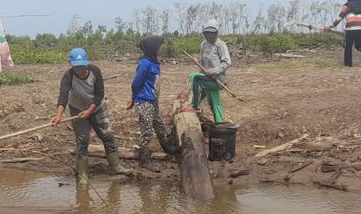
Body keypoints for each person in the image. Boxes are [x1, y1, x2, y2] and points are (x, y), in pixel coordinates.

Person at [51, 48, 133, 187]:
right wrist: (58, 115)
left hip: (97, 108)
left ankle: (117, 166)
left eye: (82, 66)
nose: (80, 69)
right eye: (76, 66)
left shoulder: (95, 71)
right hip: (77, 108)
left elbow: (99, 94)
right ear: (71, 65)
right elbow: (63, 96)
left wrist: (89, 111)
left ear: (86, 63)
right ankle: (83, 174)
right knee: (82, 141)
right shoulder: (68, 76)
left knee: (107, 135)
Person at [126, 35, 179, 172]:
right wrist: (133, 98)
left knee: (159, 124)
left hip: (152, 100)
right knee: (147, 130)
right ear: (153, 47)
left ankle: (169, 148)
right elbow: (136, 83)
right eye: (160, 46)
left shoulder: (153, 62)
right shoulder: (145, 64)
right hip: (144, 101)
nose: (161, 48)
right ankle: (144, 159)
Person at [189, 19, 231, 124]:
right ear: (204, 33)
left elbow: (227, 62)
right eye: (207, 32)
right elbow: (202, 63)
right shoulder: (203, 44)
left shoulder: (220, 45)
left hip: (217, 80)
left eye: (212, 33)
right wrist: (203, 72)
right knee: (215, 103)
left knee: (194, 77)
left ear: (216, 32)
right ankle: (219, 123)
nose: (210, 35)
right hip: (206, 78)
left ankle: (195, 106)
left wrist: (212, 71)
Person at [326, 0, 361, 68]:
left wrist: (331, 26)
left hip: (350, 27)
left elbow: (340, 17)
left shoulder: (347, 6)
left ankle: (348, 65)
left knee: (348, 46)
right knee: (360, 45)